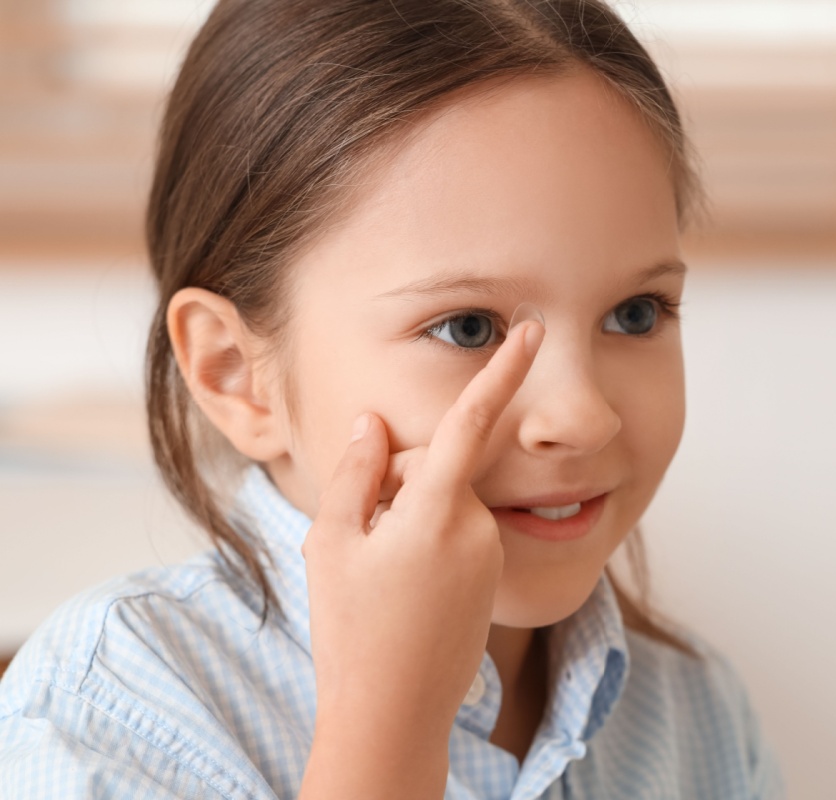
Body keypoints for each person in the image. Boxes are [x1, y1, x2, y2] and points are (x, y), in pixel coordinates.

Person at [0, 0, 785, 797]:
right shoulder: (106, 711)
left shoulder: (699, 712)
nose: (582, 416)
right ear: (237, 372)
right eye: (469, 328)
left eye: (635, 313)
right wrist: (388, 723)